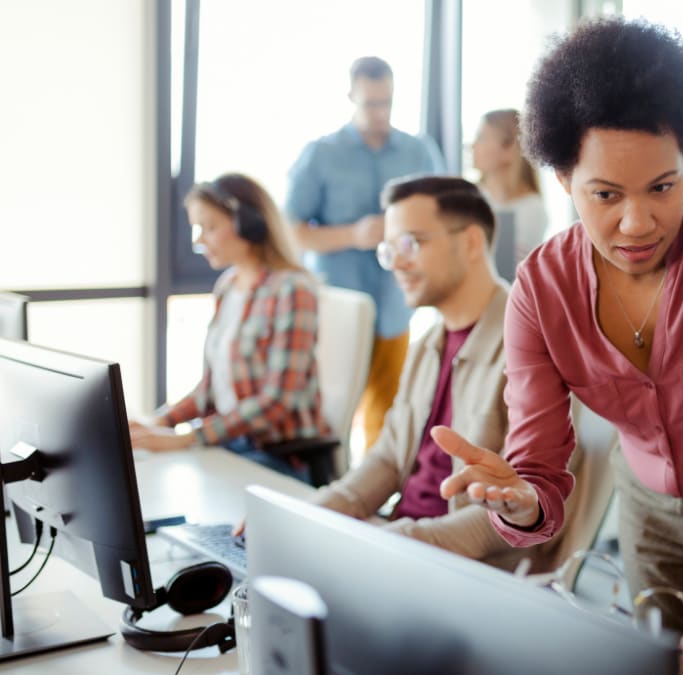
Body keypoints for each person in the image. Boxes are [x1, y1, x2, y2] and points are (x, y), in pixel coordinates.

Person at [432, 17, 683, 646]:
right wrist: (519, 501)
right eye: (604, 194)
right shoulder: (541, 291)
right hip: (651, 517)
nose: (636, 223)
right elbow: (537, 470)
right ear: (565, 181)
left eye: (662, 187)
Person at [308, 175, 602, 571]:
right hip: (400, 549)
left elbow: (526, 506)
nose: (396, 262)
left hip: (465, 571)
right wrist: (314, 514)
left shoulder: (536, 346)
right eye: (389, 249)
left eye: (411, 243)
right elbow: (390, 459)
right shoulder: (427, 344)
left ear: (470, 243)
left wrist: (391, 543)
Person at [285, 55, 446, 450]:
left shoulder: (418, 152)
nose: (380, 112)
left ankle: (376, 505)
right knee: (334, 413)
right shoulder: (320, 155)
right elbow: (292, 233)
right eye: (370, 103)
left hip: (396, 304)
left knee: (390, 415)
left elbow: (443, 220)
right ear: (351, 97)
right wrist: (352, 235)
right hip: (339, 307)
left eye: (386, 102)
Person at [130, 173, 328, 481]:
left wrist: (187, 439)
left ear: (248, 223)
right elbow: (210, 388)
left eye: (209, 227)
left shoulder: (293, 289)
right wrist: (159, 422)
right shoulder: (228, 286)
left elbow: (277, 401)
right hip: (226, 444)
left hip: (275, 455)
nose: (198, 240)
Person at [471, 108, 549, 262]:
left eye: (481, 138)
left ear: (509, 148)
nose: (473, 146)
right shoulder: (469, 198)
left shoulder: (532, 209)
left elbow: (512, 271)